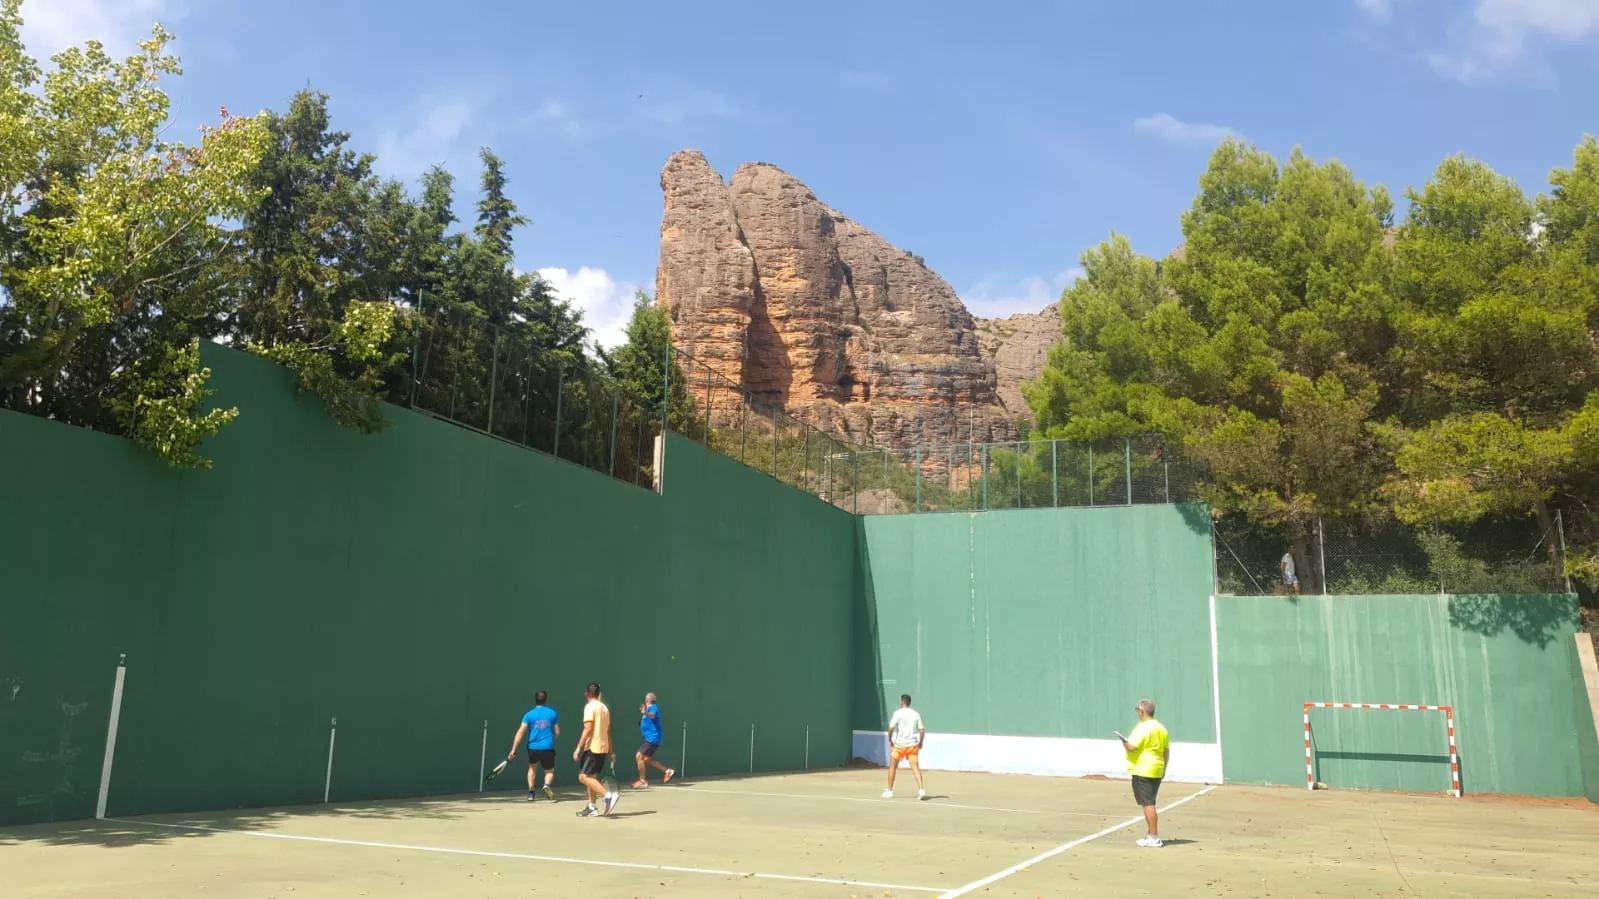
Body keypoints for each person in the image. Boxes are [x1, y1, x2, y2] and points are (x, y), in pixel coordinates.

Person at [1117, 698, 1170, 847]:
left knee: (1148, 803)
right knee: (1149, 802)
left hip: (1143, 769)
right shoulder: (1161, 728)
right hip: (1156, 769)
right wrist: (1164, 769)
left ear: (1142, 712)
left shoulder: (1143, 728)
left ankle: (1154, 836)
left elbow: (1132, 746)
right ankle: (1150, 834)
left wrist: (1123, 742)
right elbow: (1166, 751)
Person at [573, 682, 619, 817]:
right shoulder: (604, 708)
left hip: (593, 747)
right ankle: (592, 806)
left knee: (583, 777)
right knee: (591, 777)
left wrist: (578, 748)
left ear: (586, 694)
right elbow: (608, 732)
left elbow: (588, 728)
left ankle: (608, 796)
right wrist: (612, 751)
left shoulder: (589, 707)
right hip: (603, 747)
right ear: (599, 694)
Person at [505, 690, 559, 801]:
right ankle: (546, 786)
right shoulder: (552, 713)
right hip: (547, 747)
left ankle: (531, 793)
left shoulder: (529, 715)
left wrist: (513, 750)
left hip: (533, 747)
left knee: (532, 769)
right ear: (545, 700)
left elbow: (520, 732)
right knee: (549, 771)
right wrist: (551, 740)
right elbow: (557, 732)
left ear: (535, 700)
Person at [882, 694, 926, 800]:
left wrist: (890, 740)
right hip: (912, 745)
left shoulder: (897, 713)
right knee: (915, 767)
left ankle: (889, 791)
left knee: (893, 765)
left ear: (902, 702)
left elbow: (891, 728)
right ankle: (921, 789)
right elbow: (922, 730)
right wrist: (920, 743)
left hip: (900, 745)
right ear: (909, 702)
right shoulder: (916, 714)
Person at [633, 692, 676, 788]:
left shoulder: (653, 708)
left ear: (647, 700)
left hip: (652, 738)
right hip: (651, 738)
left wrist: (645, 713)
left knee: (638, 756)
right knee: (646, 760)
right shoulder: (649, 709)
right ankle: (667, 771)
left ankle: (642, 781)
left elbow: (652, 715)